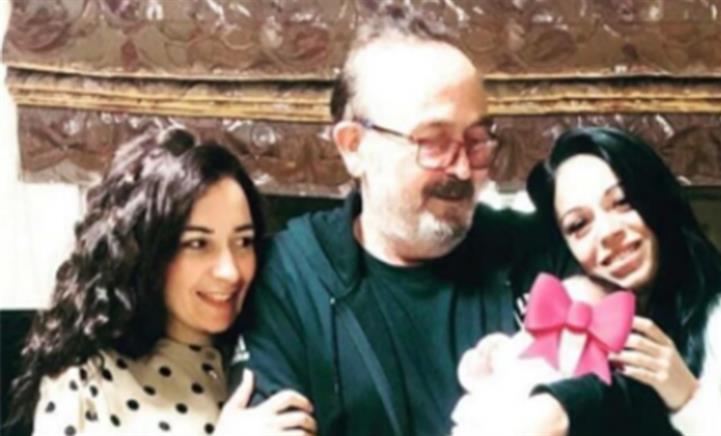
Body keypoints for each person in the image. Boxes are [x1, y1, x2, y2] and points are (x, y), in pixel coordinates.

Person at [235, 7, 572, 436]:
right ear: (354, 147)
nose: (463, 170)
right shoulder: (288, 277)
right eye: (434, 143)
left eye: (476, 141)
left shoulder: (532, 249)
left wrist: (566, 408)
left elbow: (626, 379)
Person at [519, 126, 721, 435]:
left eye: (622, 200)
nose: (608, 232)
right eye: (579, 225)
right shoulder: (594, 338)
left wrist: (688, 398)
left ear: (657, 197)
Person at [7, 129, 317, 435]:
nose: (230, 271)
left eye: (244, 241)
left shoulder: (278, 352)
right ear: (145, 250)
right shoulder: (85, 382)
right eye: (198, 244)